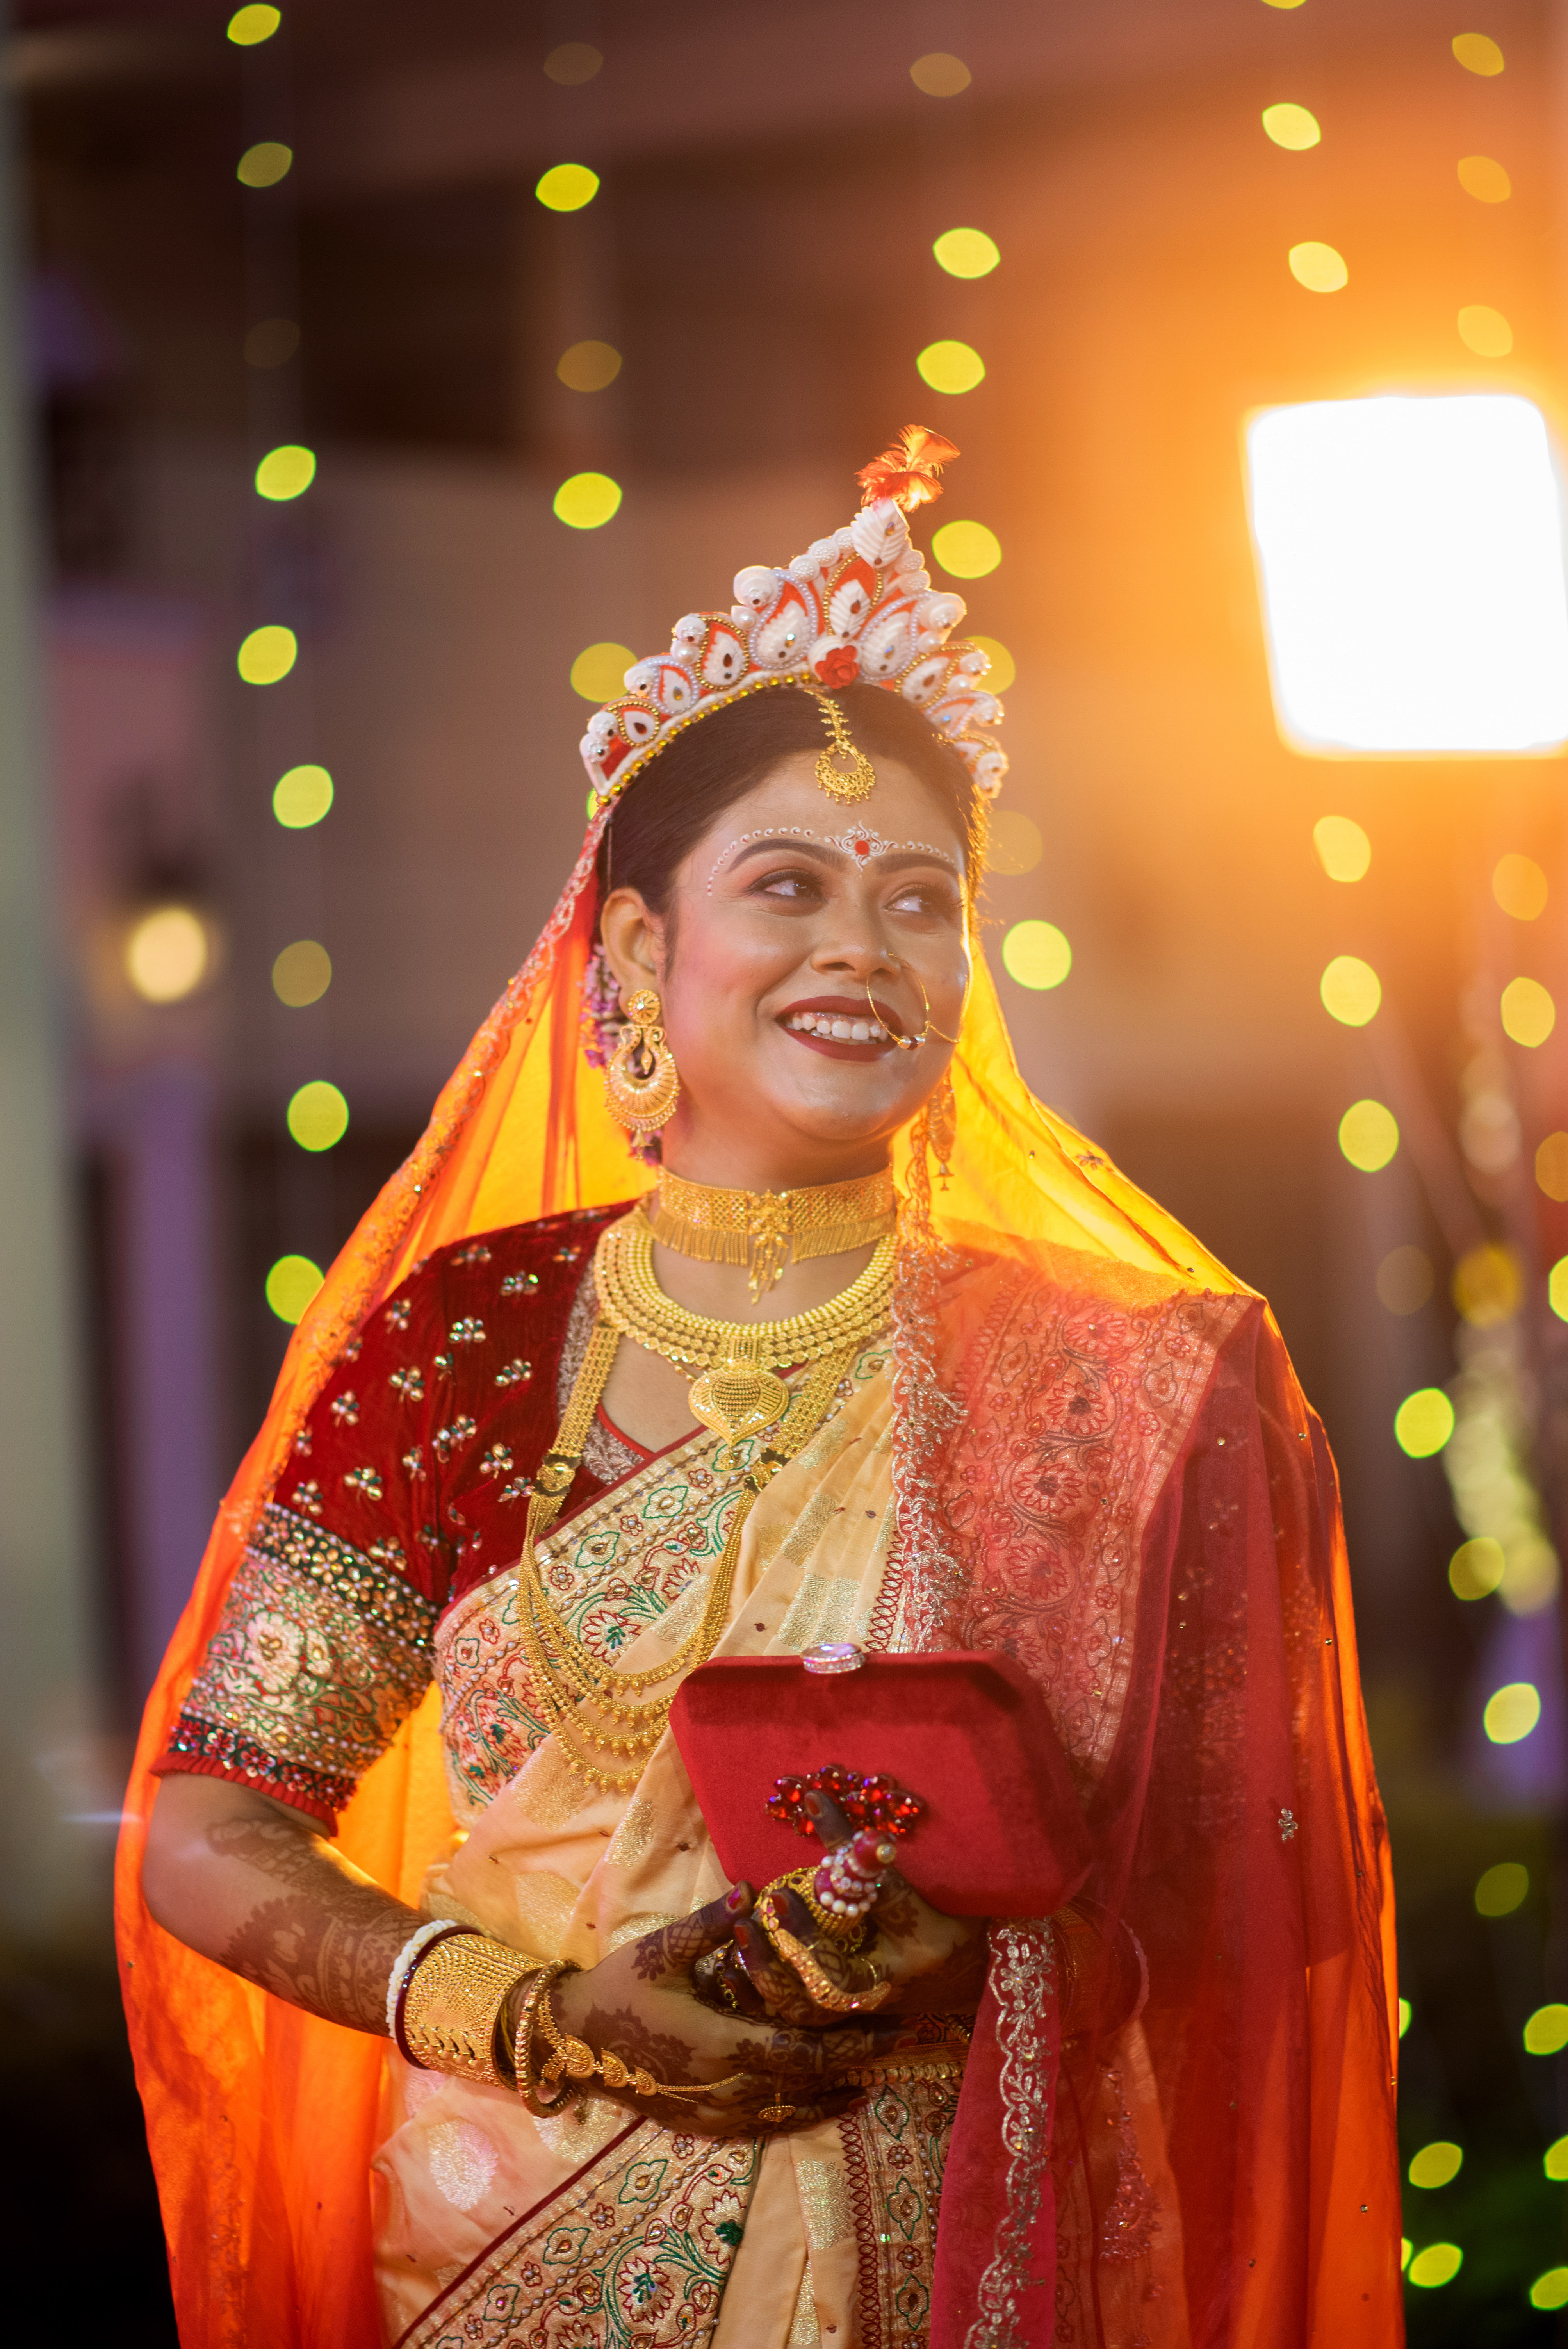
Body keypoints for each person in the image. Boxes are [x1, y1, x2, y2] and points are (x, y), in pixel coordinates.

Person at [120, 429, 1403, 2349]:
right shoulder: (467, 1341)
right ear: (639, 949)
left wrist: (994, 1946)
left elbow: (1257, 1926)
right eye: (787, 885)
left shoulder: (1136, 1378)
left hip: (974, 2258)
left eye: (917, 900)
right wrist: (538, 2013)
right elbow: (205, 1829)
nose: (858, 951)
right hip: (507, 2246)